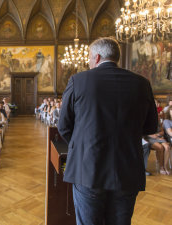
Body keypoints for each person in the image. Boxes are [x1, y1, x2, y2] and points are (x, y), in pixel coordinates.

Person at [58, 37, 158, 225]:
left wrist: (82, 146)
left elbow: (63, 126)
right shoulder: (141, 83)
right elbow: (151, 127)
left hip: (88, 170)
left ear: (96, 57)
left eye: (89, 57)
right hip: (127, 169)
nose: (88, 61)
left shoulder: (78, 81)